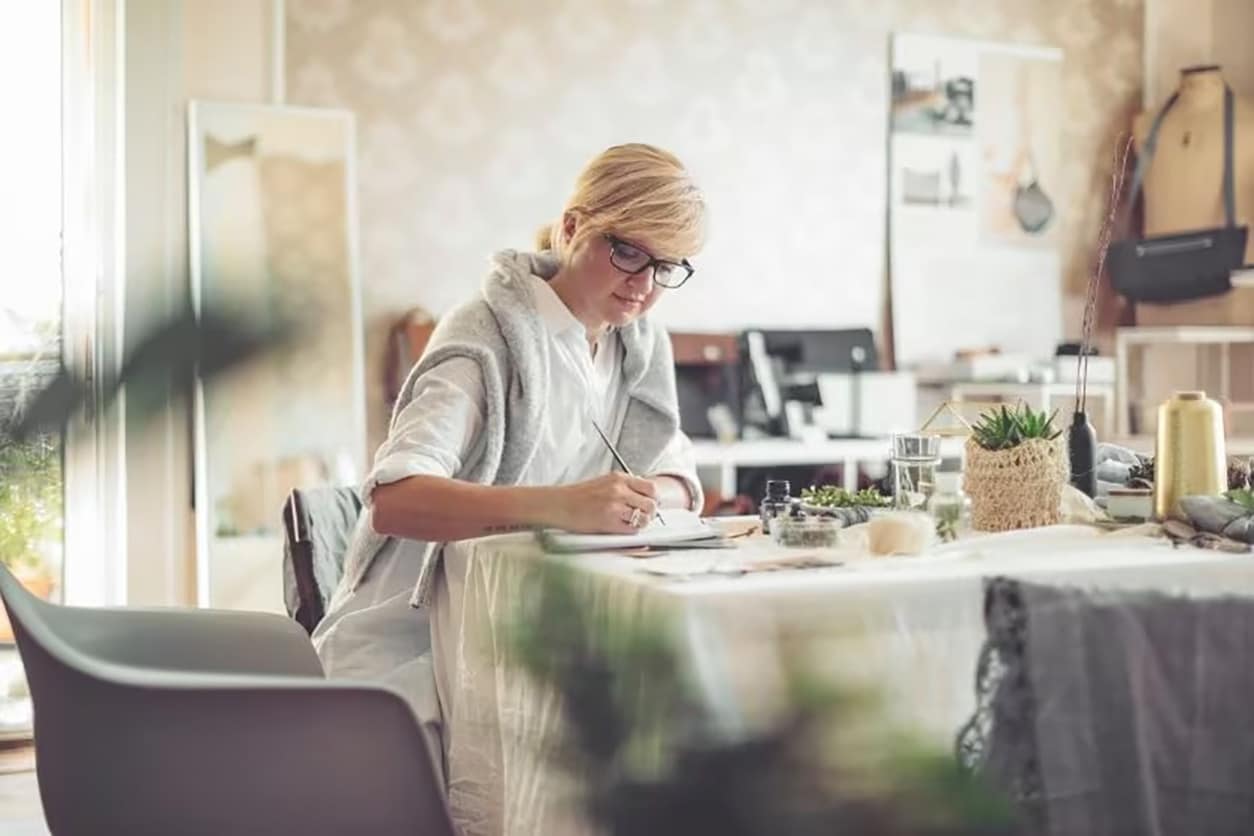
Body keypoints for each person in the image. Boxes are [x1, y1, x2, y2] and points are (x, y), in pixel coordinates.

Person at [311, 143, 707, 776]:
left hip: (529, 640)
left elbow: (684, 485)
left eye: (667, 267)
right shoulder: (487, 337)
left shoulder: (635, 345)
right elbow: (395, 500)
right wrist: (563, 509)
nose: (644, 285)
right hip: (413, 647)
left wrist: (639, 499)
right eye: (628, 251)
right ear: (573, 227)